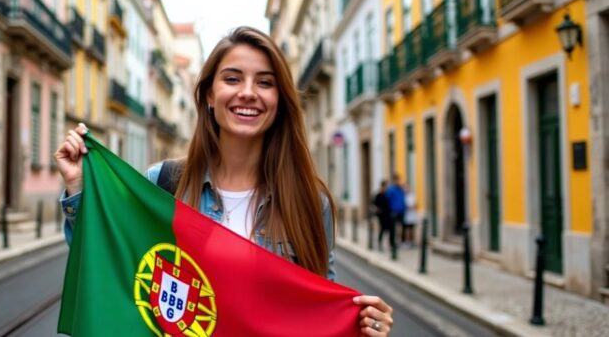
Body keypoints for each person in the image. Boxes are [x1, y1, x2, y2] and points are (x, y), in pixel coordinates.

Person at [54, 27, 393, 335]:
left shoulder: (308, 201)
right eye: (232, 79)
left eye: (265, 82)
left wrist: (360, 327)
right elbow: (110, 262)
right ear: (209, 96)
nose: (248, 92)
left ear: (280, 101)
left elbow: (315, 313)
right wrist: (79, 188)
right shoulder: (165, 183)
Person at [385, 174, 406, 248]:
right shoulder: (391, 189)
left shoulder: (401, 189)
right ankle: (392, 243)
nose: (398, 181)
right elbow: (387, 199)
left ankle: (400, 242)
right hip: (393, 211)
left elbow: (404, 197)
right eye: (397, 180)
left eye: (399, 180)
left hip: (401, 210)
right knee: (393, 228)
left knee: (401, 227)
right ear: (394, 180)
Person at [372, 180, 392, 252]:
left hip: (388, 214)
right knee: (382, 229)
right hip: (381, 215)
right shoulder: (378, 195)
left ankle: (389, 244)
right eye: (385, 186)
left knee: (389, 230)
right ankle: (380, 243)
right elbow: (374, 204)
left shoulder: (387, 195)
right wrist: (377, 210)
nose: (386, 188)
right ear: (382, 186)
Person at [402, 183, 417, 248]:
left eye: (407, 187)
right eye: (405, 188)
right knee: (406, 229)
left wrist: (413, 207)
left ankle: (412, 242)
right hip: (405, 215)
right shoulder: (403, 196)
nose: (406, 189)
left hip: (412, 215)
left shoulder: (412, 195)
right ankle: (406, 242)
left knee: (411, 229)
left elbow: (416, 204)